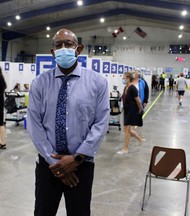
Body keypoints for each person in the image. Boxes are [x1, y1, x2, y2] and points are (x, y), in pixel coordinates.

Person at [27, 29, 110, 216]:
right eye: (58, 45)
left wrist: (77, 158)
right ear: (52, 52)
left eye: (69, 44)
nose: (63, 48)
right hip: (48, 166)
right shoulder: (39, 83)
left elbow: (101, 123)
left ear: (78, 49)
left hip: (81, 165)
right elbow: (34, 124)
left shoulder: (98, 82)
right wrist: (54, 162)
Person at [117, 72, 143, 155]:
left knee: (127, 129)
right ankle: (139, 139)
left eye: (124, 78)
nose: (123, 79)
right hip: (127, 110)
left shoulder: (133, 88)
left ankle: (125, 148)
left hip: (133, 110)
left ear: (128, 78)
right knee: (127, 129)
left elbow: (138, 100)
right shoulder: (125, 87)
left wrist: (140, 109)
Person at [133, 71, 149, 138]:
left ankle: (139, 133)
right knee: (132, 118)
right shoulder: (131, 82)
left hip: (140, 102)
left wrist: (145, 101)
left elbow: (146, 91)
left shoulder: (142, 82)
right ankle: (132, 132)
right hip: (132, 103)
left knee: (139, 118)